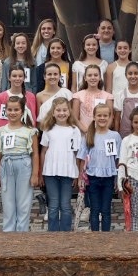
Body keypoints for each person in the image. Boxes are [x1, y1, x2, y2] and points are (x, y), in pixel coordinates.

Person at [0, 95, 40, 232]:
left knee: (23, 202)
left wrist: (35, 174)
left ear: (22, 111)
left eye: (16, 110)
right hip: (7, 165)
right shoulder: (1, 131)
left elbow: (35, 153)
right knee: (8, 202)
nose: (12, 113)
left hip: (23, 164)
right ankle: (8, 233)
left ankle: (21, 234)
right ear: (5, 111)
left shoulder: (30, 131)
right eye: (10, 110)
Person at [38, 97, 84, 232]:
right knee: (53, 205)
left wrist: (77, 174)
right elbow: (43, 151)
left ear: (69, 112)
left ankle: (65, 234)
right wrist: (41, 172)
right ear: (53, 112)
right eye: (58, 110)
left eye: (64, 110)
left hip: (68, 171)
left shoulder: (74, 130)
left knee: (65, 205)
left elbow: (77, 153)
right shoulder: (48, 129)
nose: (61, 113)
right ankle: (53, 234)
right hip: (50, 172)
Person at [83, 102, 121, 232]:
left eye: (105, 115)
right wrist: (81, 177)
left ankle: (105, 237)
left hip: (108, 178)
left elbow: (117, 159)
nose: (102, 118)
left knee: (106, 210)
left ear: (110, 117)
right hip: (92, 177)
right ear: (94, 117)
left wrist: (118, 178)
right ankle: (95, 236)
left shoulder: (115, 136)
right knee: (94, 210)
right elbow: (83, 158)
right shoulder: (89, 135)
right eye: (99, 115)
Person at [73, 63, 113, 133]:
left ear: (100, 77)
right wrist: (85, 131)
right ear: (85, 78)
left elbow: (110, 117)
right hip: (84, 134)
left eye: (96, 75)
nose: (93, 78)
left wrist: (102, 131)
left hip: (102, 133)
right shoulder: (78, 96)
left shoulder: (108, 96)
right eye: (89, 75)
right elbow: (75, 118)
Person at [114, 61, 138, 136]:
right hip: (125, 134)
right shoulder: (120, 94)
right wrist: (117, 136)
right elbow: (117, 118)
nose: (133, 76)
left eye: (136, 73)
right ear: (126, 75)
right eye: (130, 73)